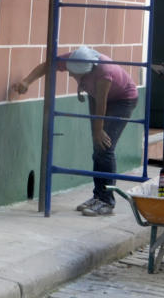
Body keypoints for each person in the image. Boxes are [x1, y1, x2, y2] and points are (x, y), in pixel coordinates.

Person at [13, 46, 138, 216]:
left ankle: (107, 201)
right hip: (96, 96)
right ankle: (98, 196)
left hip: (122, 100)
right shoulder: (75, 58)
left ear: (86, 73)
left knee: (105, 147)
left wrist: (98, 130)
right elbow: (49, 65)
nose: (71, 75)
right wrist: (27, 81)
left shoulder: (104, 73)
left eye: (75, 75)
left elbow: (102, 103)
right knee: (97, 148)